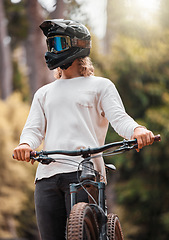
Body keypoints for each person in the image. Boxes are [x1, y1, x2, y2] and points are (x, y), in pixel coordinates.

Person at [13, 19, 154, 240]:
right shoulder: (44, 93)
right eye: (50, 45)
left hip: (85, 172)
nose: (52, 51)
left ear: (77, 45)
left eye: (58, 44)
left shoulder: (101, 86)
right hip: (47, 176)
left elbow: (119, 119)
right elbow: (33, 129)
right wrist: (25, 145)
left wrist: (138, 130)